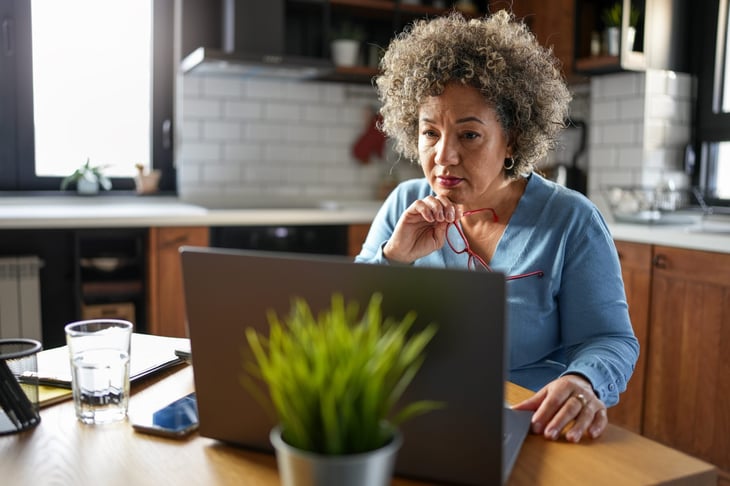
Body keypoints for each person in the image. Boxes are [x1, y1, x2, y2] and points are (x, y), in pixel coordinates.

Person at [355, 10, 639, 443]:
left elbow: (610, 340)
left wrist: (583, 381)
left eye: (469, 135)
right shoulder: (403, 205)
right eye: (430, 133)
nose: (444, 155)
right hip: (415, 418)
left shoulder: (571, 221)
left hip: (528, 426)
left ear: (513, 137)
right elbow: (349, 326)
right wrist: (392, 259)